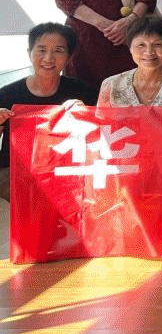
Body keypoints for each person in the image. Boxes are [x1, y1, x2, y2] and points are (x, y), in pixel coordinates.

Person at [0, 23, 96, 201]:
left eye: (58, 51)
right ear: (29, 53)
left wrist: (85, 115)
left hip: (66, 172)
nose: (48, 58)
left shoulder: (82, 93)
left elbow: (98, 139)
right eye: (41, 50)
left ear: (69, 57)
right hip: (15, 175)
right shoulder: (7, 95)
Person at [99, 15, 162, 107]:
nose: (149, 52)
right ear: (130, 48)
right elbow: (101, 120)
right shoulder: (111, 85)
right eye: (141, 45)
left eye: (158, 45)